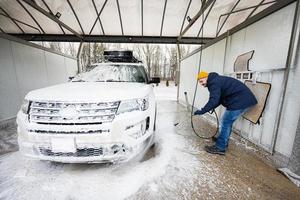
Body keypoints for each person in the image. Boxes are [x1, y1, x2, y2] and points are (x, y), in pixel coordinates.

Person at [194, 71, 257, 155]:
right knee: (226, 122)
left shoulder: (213, 83)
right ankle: (222, 140)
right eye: (199, 82)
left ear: (206, 77)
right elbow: (219, 98)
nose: (201, 84)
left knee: (226, 122)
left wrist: (203, 110)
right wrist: (212, 107)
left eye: (201, 81)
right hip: (241, 99)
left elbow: (214, 99)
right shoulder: (215, 80)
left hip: (240, 101)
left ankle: (220, 147)